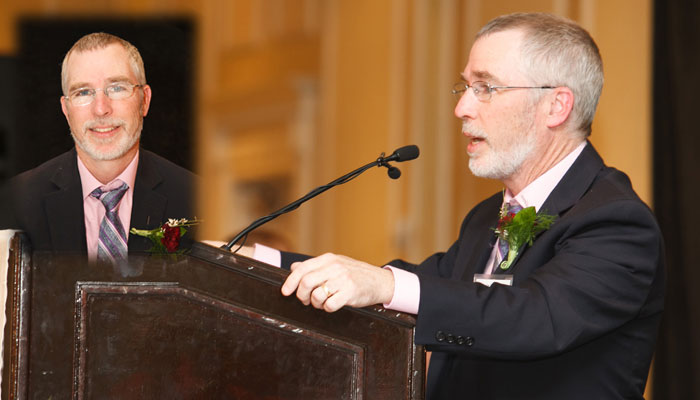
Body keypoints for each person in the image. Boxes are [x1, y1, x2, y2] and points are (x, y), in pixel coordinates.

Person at [241, 12, 665, 399]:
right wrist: (256, 260)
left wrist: (387, 285)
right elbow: (421, 288)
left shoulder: (616, 222)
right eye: (465, 87)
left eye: (486, 88)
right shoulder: (486, 216)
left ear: (556, 105)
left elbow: (536, 318)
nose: (461, 107)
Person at [2, 33, 196, 261]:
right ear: (66, 110)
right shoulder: (13, 204)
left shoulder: (195, 197)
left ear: (144, 100)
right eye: (83, 92)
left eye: (117, 88)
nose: (101, 109)